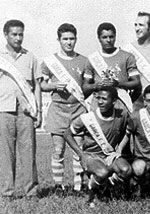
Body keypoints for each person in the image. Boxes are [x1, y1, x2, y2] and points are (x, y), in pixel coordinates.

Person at [40, 23, 90, 192]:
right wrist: (54, 85)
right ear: (59, 40)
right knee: (58, 149)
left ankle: (78, 187)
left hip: (77, 109)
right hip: (58, 109)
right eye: (65, 39)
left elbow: (87, 87)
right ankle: (58, 186)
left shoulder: (84, 60)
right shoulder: (50, 62)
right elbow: (42, 85)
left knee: (79, 149)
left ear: (76, 39)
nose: (69, 42)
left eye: (72, 39)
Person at [63, 86, 132, 206]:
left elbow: (130, 129)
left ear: (114, 101)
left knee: (126, 170)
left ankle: (106, 185)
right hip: (92, 156)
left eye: (104, 99)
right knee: (102, 173)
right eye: (98, 98)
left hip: (110, 156)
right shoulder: (88, 118)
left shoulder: (122, 114)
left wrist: (120, 148)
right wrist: (81, 155)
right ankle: (92, 192)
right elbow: (67, 134)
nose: (100, 102)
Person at [0, 19, 41, 199]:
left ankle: (31, 192)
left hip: (26, 112)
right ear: (5, 35)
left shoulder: (30, 57)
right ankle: (7, 193)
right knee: (6, 155)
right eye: (14, 34)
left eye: (20, 34)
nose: (18, 38)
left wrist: (38, 111)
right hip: (4, 110)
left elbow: (37, 86)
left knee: (28, 153)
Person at [83, 22, 141, 113]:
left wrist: (117, 83)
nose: (108, 40)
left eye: (111, 37)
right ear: (99, 39)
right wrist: (97, 85)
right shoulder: (92, 59)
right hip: (99, 103)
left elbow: (136, 82)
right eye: (104, 37)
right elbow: (85, 87)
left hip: (120, 101)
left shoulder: (127, 57)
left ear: (115, 37)